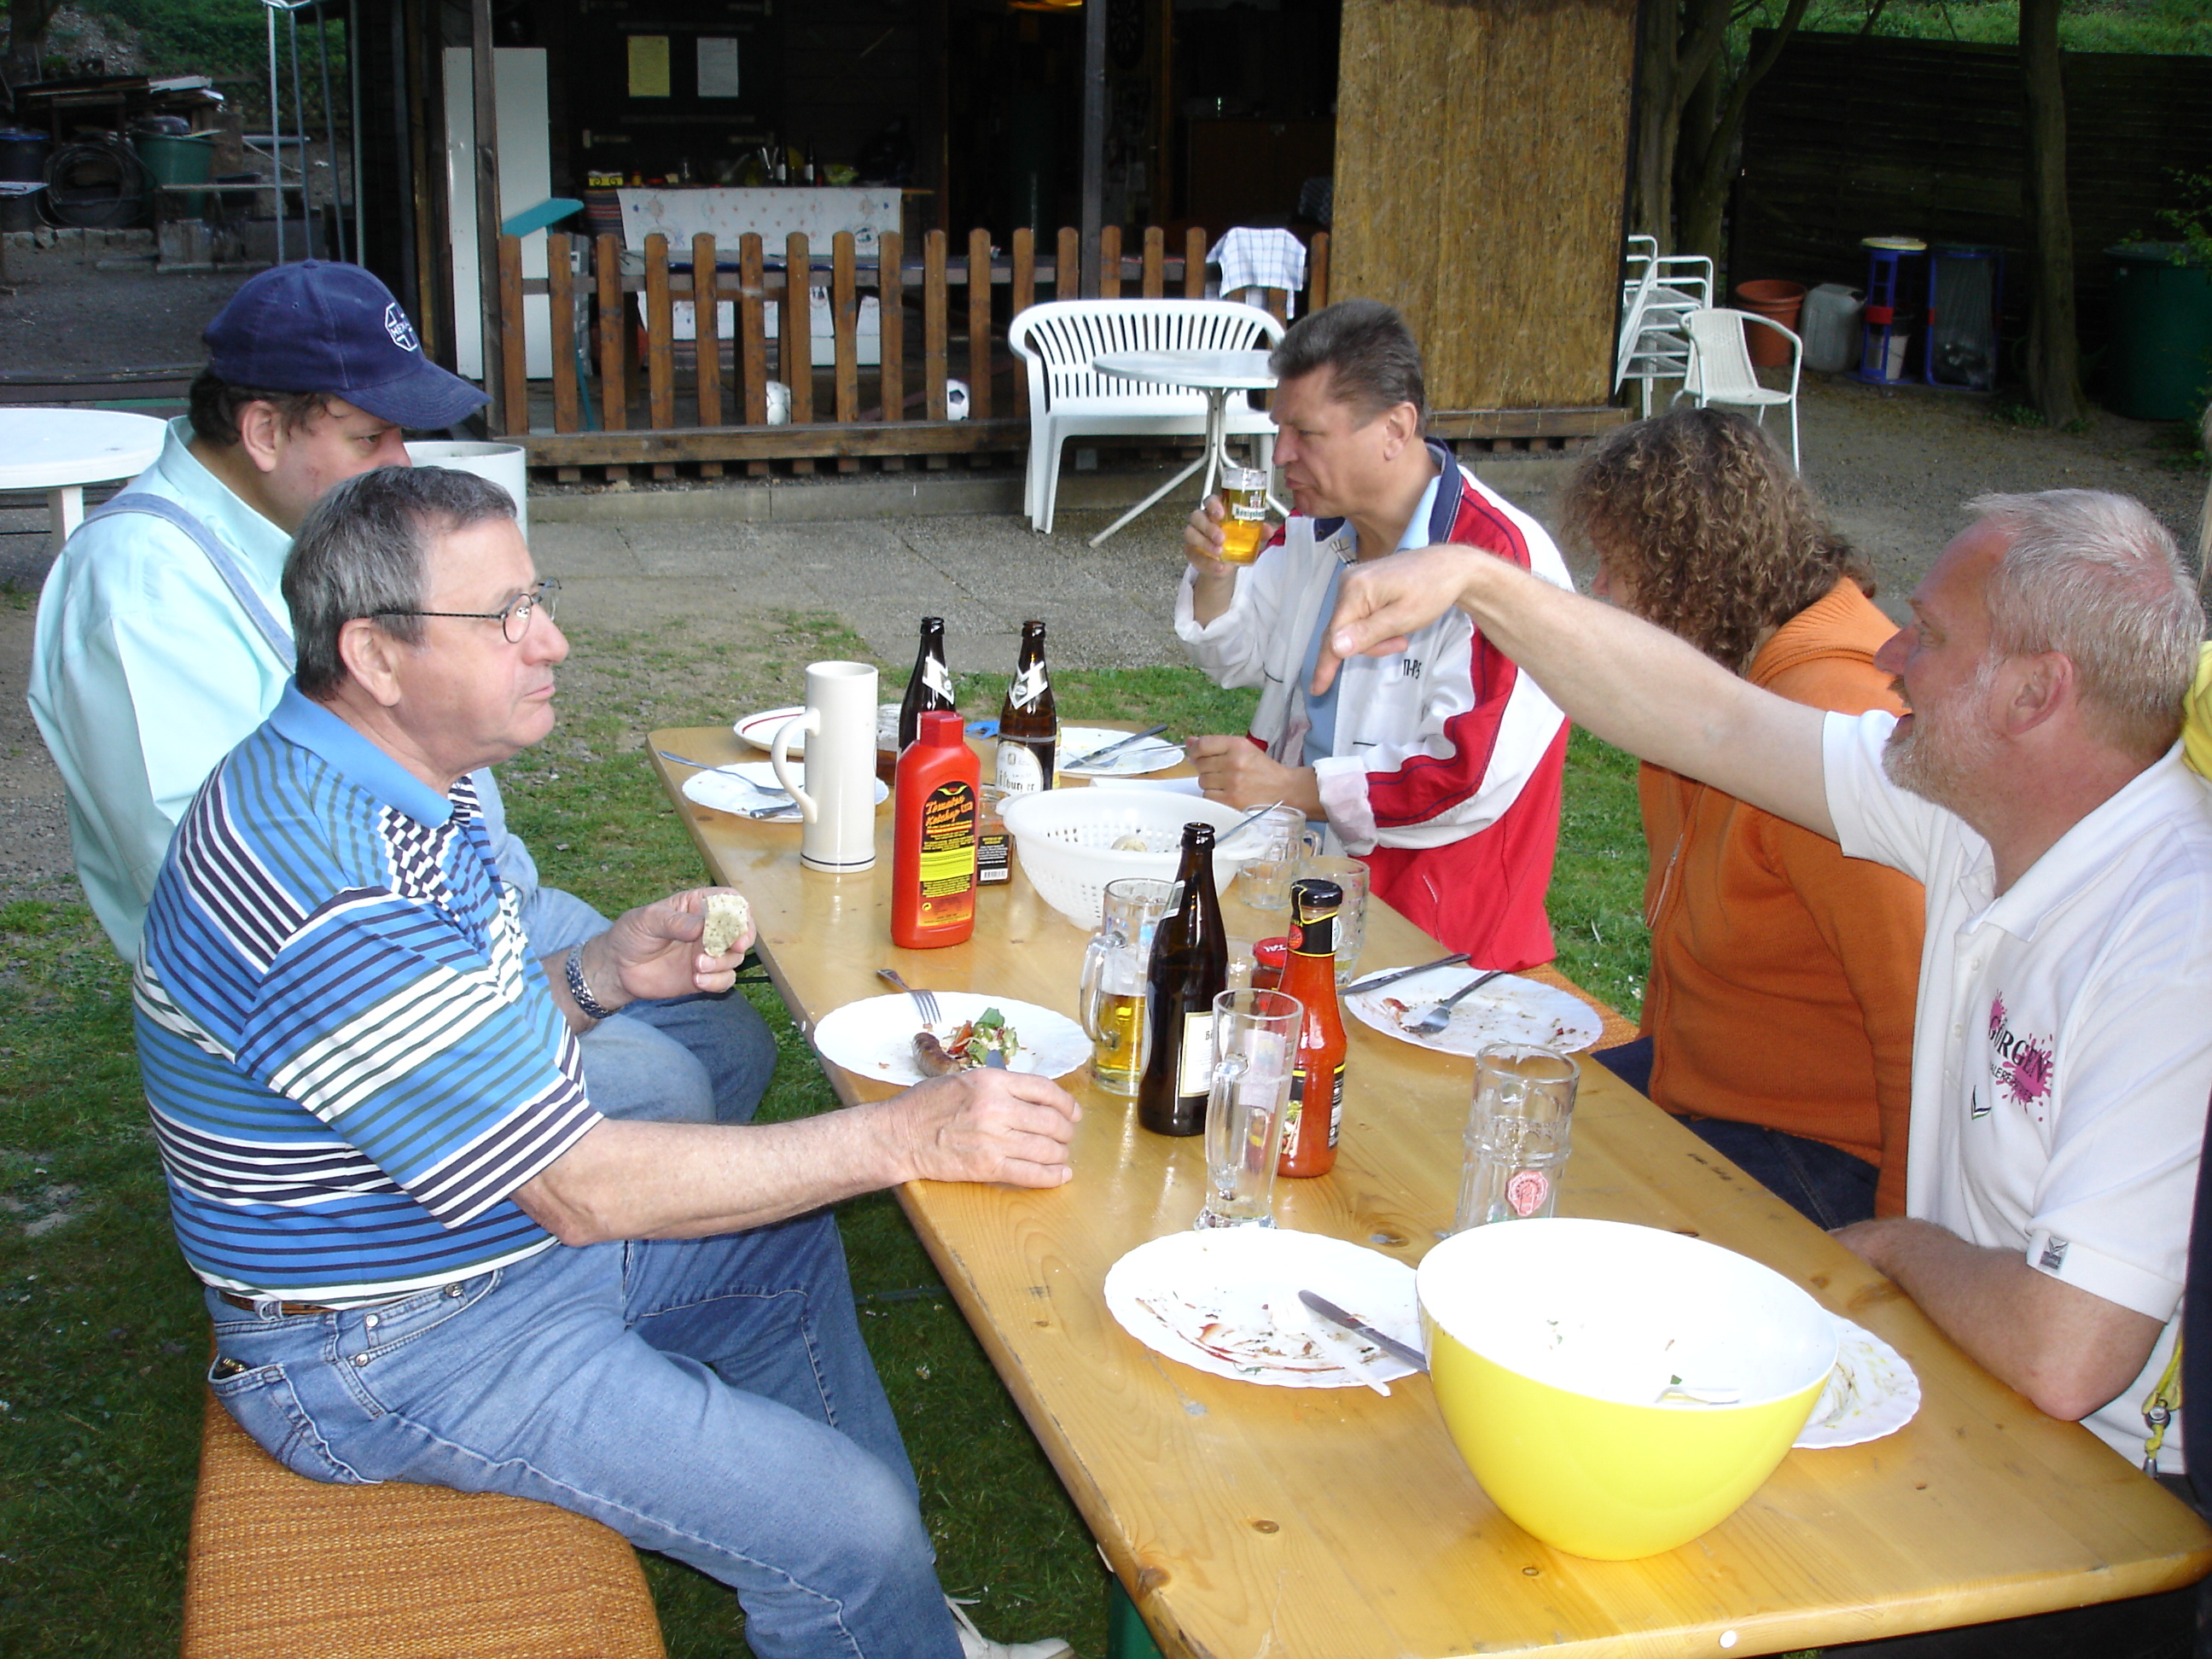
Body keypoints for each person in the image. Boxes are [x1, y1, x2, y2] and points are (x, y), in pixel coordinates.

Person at [140, 464, 1080, 1659]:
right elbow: (578, 1190)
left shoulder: (402, 781)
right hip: (387, 1347)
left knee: (782, 1249)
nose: (554, 641)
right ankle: (859, 1580)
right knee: (847, 1529)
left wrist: (599, 975)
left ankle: (886, 1618)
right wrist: (907, 1133)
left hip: (467, 1250)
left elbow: (444, 1039)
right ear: (374, 655)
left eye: (539, 599)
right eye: (505, 616)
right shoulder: (326, 880)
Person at [1313, 488, 2212, 1491]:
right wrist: (1480, 580)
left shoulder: (2174, 940)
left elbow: (2066, 1354)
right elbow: (1712, 722)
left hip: (2103, 1490)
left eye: (1930, 634)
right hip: (1963, 1379)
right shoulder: (1981, 806)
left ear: (2034, 695)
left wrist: (1902, 1245)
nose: (1890, 653)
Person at [26, 259, 774, 1127]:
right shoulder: (139, 589)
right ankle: (537, 1201)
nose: (399, 462)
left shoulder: (299, 526)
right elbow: (235, 903)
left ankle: (630, 1203)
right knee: (659, 1084)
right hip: (344, 979)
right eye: (369, 438)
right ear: (263, 430)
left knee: (726, 1040)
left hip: (473, 902)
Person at [1563, 409, 1924, 1226]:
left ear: (1689, 573)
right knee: (1488, 1123)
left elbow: (1919, 1024)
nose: (1600, 592)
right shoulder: (1707, 689)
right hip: (1701, 1094)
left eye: (1616, 568)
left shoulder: (1831, 723)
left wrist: (1898, 1248)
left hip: (1825, 1153)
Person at [1176, 298, 1571, 971]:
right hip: (1306, 895)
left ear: (1396, 428)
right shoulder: (1316, 530)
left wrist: (1290, 787)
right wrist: (1216, 575)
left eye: (1306, 434)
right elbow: (1235, 658)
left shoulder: (1504, 565)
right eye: (1279, 429)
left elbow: (1466, 778)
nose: (1281, 455)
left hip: (1442, 944)